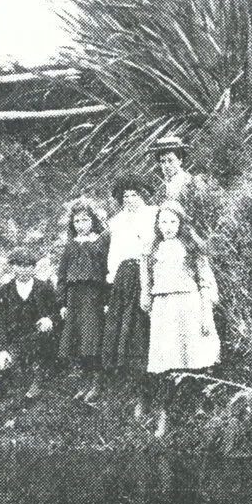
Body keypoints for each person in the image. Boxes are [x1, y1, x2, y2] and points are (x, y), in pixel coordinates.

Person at [140, 200, 221, 438]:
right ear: (157, 224)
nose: (168, 226)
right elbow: (146, 281)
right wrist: (146, 297)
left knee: (196, 355)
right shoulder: (150, 249)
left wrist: (206, 314)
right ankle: (164, 415)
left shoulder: (192, 247)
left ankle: (201, 407)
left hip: (190, 304)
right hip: (164, 307)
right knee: (167, 360)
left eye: (173, 221)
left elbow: (205, 281)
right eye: (163, 221)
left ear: (181, 222)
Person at [101, 175, 158, 418]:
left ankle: (151, 394)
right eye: (125, 196)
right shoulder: (117, 221)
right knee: (125, 333)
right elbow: (113, 254)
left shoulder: (153, 214)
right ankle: (134, 391)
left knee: (143, 333)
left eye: (134, 194)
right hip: (124, 278)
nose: (129, 199)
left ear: (143, 195)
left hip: (146, 274)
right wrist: (113, 280)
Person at [57, 198, 110, 404]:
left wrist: (106, 299)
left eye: (85, 220)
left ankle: (97, 381)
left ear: (93, 221)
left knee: (92, 338)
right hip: (74, 298)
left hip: (93, 297)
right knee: (78, 338)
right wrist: (62, 303)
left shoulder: (99, 244)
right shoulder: (70, 246)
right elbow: (62, 276)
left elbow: (106, 273)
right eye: (77, 221)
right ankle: (85, 379)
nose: (81, 225)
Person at [0, 249, 60, 402]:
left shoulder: (44, 288)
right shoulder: (3, 292)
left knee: (44, 341)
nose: (24, 269)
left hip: (39, 338)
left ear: (34, 267)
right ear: (12, 267)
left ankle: (40, 375)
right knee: (6, 369)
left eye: (28, 265)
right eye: (19, 265)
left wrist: (49, 319)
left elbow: (56, 313)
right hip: (14, 339)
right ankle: (13, 374)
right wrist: (2, 349)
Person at [153, 135, 194, 202]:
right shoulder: (161, 187)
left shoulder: (189, 183)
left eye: (170, 160)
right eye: (163, 161)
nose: (166, 165)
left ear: (180, 160)